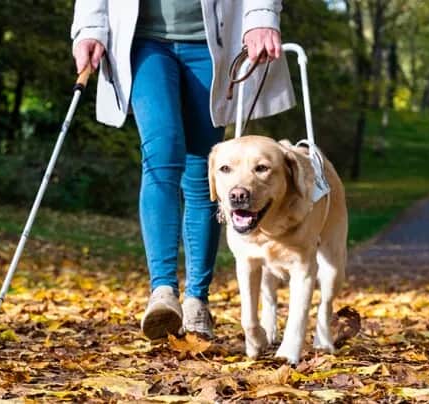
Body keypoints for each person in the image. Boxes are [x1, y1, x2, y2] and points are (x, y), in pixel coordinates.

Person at [71, 0, 296, 339]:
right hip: (144, 42)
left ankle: (197, 301)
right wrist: (89, 28)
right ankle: (162, 293)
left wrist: (261, 17)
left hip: (213, 41)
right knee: (162, 155)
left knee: (203, 172)